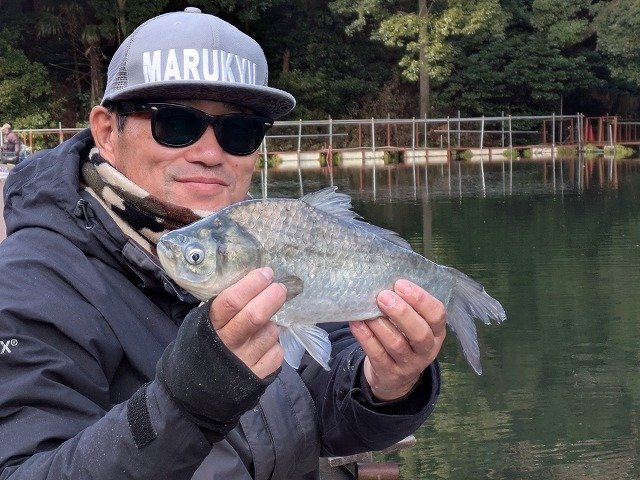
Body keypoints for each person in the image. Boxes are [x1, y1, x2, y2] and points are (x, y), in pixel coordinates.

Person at [0, 8, 445, 479]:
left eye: (239, 131)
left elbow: (327, 407)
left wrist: (385, 386)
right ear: (108, 132)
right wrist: (185, 405)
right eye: (176, 124)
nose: (211, 154)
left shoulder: (267, 239)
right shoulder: (30, 285)